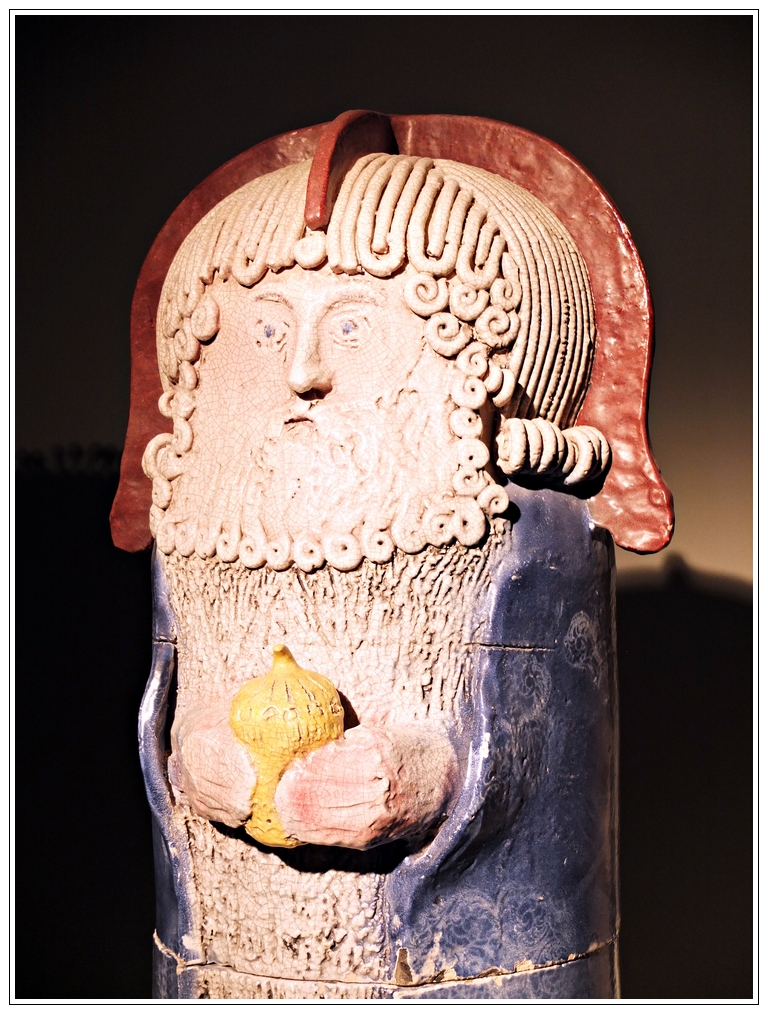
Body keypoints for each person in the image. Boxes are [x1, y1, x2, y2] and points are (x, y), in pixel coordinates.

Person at [141, 151, 614, 996]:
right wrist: (191, 753)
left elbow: (551, 739)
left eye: (353, 328)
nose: (303, 372)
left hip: (447, 975)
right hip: (222, 964)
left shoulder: (527, 531)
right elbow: (166, 688)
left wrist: (428, 772)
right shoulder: (199, 521)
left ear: (470, 357)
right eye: (267, 330)